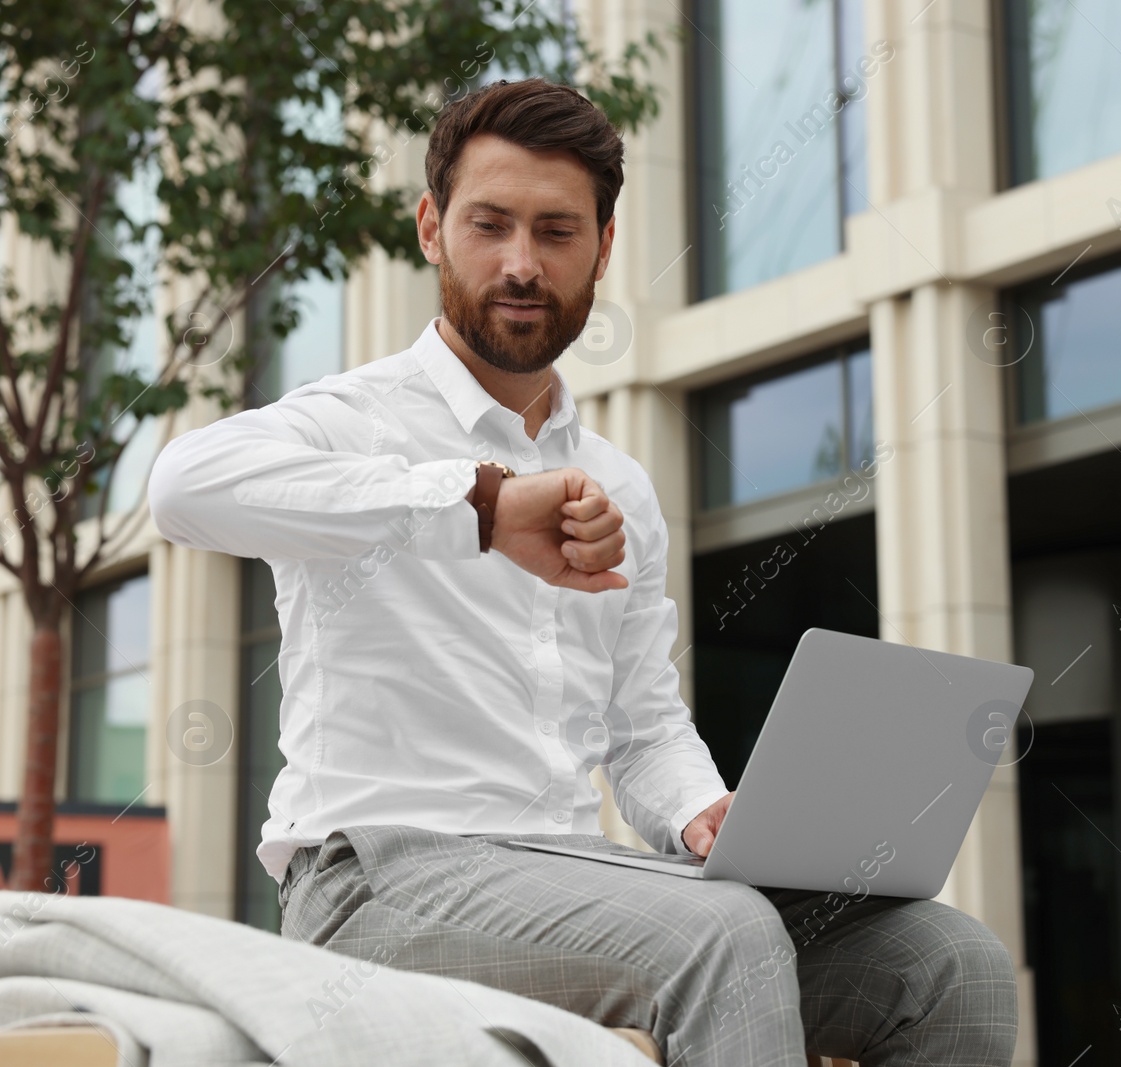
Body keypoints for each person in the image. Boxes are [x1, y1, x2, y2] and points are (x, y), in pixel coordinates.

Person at [147, 76, 1016, 1067]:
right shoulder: (351, 421)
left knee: (950, 963)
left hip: (574, 876)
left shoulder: (619, 486)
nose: (521, 263)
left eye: (556, 232)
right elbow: (179, 485)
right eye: (490, 225)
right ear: (432, 228)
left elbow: (642, 728)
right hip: (373, 884)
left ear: (602, 248)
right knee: (721, 936)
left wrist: (701, 809)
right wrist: (477, 504)